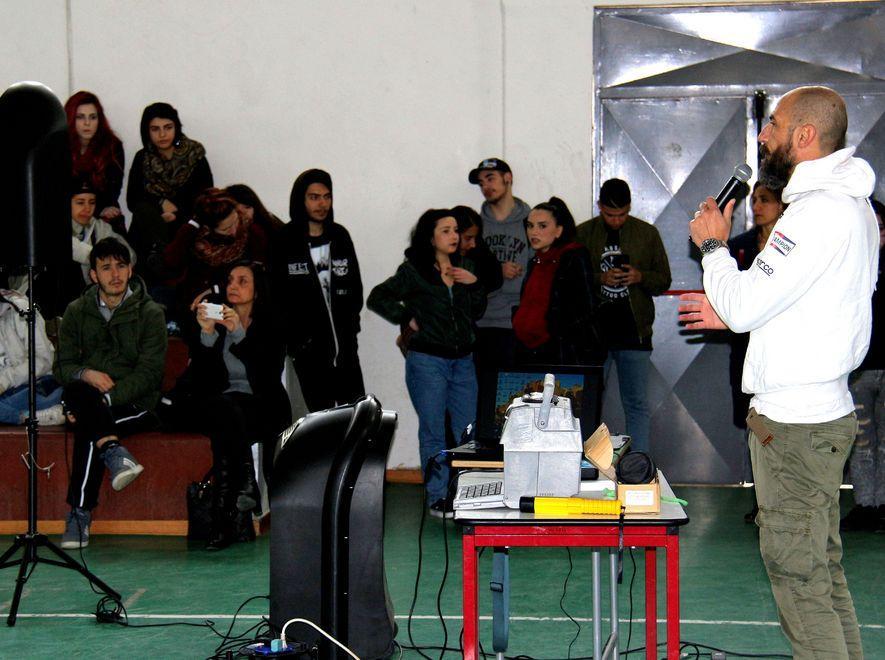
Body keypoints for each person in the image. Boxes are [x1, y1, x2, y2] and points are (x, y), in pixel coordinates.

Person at [680, 85, 877, 659]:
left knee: (800, 578)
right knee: (820, 571)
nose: (763, 136)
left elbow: (746, 304)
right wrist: (743, 312)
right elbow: (808, 302)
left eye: (774, 125)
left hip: (796, 426)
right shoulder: (851, 209)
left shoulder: (816, 214)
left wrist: (715, 248)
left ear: (806, 136)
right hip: (817, 415)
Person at [367, 209, 486, 517]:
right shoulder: (414, 270)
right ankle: (437, 495)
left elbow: (476, 311)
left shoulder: (466, 266)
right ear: (430, 237)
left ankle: (467, 493)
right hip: (428, 361)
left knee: (467, 431)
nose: (454, 236)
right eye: (446, 230)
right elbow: (377, 297)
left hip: (463, 360)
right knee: (433, 429)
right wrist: (406, 317)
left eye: (456, 230)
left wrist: (473, 285)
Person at [54, 237, 167, 549]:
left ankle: (79, 513)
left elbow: (149, 374)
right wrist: (86, 373)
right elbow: (62, 366)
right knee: (78, 386)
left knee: (88, 424)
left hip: (137, 402)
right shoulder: (76, 311)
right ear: (94, 275)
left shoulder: (151, 312)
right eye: (106, 268)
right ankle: (114, 452)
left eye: (121, 266)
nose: (115, 274)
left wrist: (103, 400)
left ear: (130, 270)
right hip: (87, 395)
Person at [189, 261, 291, 550]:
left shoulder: (272, 321)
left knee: (227, 429)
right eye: (231, 280)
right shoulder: (218, 319)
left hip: (263, 404)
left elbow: (267, 375)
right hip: (224, 403)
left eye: (243, 281)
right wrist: (208, 334)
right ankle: (246, 486)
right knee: (225, 412)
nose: (233, 286)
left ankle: (223, 523)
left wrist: (238, 334)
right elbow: (204, 378)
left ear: (257, 290)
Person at [575, 178, 671, 453]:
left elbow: (663, 280)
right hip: (594, 333)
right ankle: (586, 467)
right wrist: (599, 278)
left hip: (634, 332)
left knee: (637, 405)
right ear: (599, 207)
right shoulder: (584, 234)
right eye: (609, 214)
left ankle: (637, 467)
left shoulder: (646, 233)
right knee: (588, 404)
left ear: (630, 208)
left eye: (622, 214)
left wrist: (639, 276)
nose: (616, 220)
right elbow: (570, 281)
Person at [274, 169, 364, 412]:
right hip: (308, 349)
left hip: (344, 344)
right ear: (300, 200)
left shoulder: (340, 236)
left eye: (326, 196)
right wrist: (296, 340)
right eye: (314, 197)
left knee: (354, 413)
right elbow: (277, 294)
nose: (321, 203)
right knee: (321, 417)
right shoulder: (285, 239)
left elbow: (355, 288)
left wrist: (351, 326)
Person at [727, 182, 786, 522]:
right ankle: (762, 499)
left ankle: (780, 499)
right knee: (753, 421)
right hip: (744, 349)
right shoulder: (740, 247)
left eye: (765, 199)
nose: (758, 206)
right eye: (755, 200)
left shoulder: (793, 246)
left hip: (780, 350)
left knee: (780, 424)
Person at [513, 197, 604, 365]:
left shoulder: (574, 256)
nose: (534, 232)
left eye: (542, 226)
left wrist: (555, 333)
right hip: (530, 351)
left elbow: (586, 308)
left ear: (559, 231)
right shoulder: (535, 261)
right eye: (530, 225)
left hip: (563, 352)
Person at [126, 102, 213, 278]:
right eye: (155, 129)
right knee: (142, 214)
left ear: (176, 128)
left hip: (186, 224)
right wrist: (160, 203)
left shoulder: (194, 156)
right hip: (150, 224)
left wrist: (177, 214)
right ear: (147, 131)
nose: (162, 134)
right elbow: (132, 198)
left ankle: (163, 257)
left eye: (168, 127)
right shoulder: (142, 158)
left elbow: (206, 198)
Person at [840, 198, 885, 532]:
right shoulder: (851, 264)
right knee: (861, 440)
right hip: (859, 367)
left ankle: (882, 503)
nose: (877, 235)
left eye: (882, 229)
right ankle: (865, 503)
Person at [161, 188, 268, 319]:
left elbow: (257, 275)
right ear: (209, 227)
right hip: (199, 302)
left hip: (235, 297)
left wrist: (215, 289)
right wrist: (190, 227)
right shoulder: (194, 237)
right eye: (226, 228)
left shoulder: (252, 233)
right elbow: (171, 263)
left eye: (235, 220)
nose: (234, 230)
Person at [467, 158, 531, 369]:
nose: (485, 186)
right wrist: (496, 271)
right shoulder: (475, 227)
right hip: (481, 321)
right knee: (481, 392)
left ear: (508, 178)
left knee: (511, 396)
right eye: (481, 182)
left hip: (515, 322)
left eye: (490, 178)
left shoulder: (531, 222)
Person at [64, 178, 136, 311]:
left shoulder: (99, 227)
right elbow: (76, 250)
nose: (87, 209)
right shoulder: (52, 226)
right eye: (80, 203)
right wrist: (104, 257)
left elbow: (129, 255)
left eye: (92, 203)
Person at [0, 288, 64, 426]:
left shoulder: (22, 309)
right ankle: (28, 417)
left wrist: (5, 380)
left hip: (34, 385)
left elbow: (43, 361)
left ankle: (24, 415)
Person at [64, 91, 126, 232]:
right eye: (80, 117)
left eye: (93, 117)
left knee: (114, 226)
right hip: (69, 212)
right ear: (71, 119)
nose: (87, 123)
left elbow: (113, 188)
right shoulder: (59, 147)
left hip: (103, 210)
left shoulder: (112, 146)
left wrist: (99, 210)